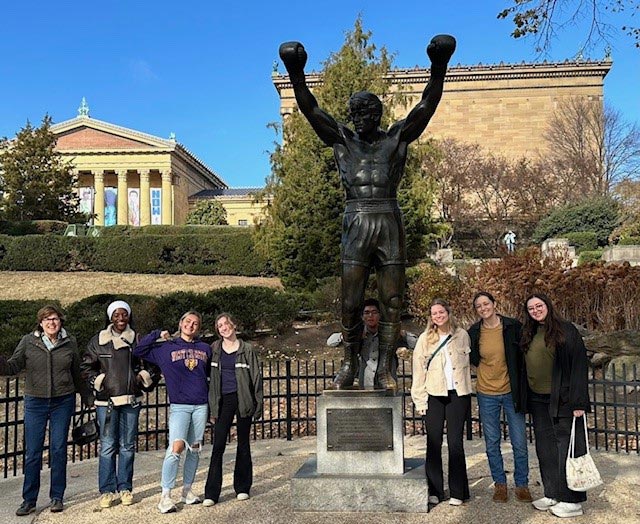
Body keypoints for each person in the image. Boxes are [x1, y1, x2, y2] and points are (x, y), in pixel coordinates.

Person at [279, 35, 456, 392]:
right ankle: (349, 363)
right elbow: (311, 110)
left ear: (378, 115)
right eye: (356, 113)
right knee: (350, 300)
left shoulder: (396, 138)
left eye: (368, 112)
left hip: (388, 218)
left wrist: (439, 66)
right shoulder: (342, 140)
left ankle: (385, 368)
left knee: (392, 300)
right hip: (356, 218)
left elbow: (426, 105)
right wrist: (295, 73)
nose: (362, 118)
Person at [0, 305, 84, 516]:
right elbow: (12, 367)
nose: (51, 323)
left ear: (60, 321)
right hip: (35, 402)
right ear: (40, 323)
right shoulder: (29, 341)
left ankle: (57, 496)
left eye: (54, 318)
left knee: (58, 450)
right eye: (47, 319)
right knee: (33, 453)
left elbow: (77, 372)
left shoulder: (69, 342)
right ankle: (29, 499)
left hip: (62, 402)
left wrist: (88, 396)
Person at [81, 300, 160, 509]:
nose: (120, 319)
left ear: (129, 316)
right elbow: (86, 367)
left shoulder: (138, 340)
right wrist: (100, 381)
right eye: (116, 315)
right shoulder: (98, 341)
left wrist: (142, 377)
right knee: (107, 446)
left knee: (127, 446)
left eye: (124, 314)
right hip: (105, 401)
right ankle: (107, 490)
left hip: (131, 400)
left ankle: (125, 487)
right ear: (110, 317)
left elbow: (153, 365)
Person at [134, 311, 212, 514]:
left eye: (195, 323)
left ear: (199, 327)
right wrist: (158, 333)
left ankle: (187, 491)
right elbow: (138, 350)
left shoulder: (204, 348)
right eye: (187, 321)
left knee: (195, 448)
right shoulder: (166, 348)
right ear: (180, 323)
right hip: (180, 405)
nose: (191, 325)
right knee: (176, 448)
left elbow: (210, 375)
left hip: (200, 405)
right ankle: (165, 495)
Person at [521, 293, 591, 518]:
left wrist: (579, 402)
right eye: (531, 308)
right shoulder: (529, 332)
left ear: (548, 306)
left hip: (563, 399)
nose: (535, 310)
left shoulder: (566, 330)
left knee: (567, 449)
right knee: (546, 449)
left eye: (539, 306)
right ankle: (552, 492)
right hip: (538, 400)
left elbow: (579, 365)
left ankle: (572, 500)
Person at [468, 292, 531, 503]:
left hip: (511, 391)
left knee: (519, 442)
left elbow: (524, 356)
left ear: (495, 304)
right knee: (492, 442)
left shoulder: (513, 327)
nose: (483, 308)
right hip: (487, 393)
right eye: (479, 306)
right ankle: (500, 484)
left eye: (486, 303)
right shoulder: (474, 332)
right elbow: (472, 358)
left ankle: (522, 484)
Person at [411, 298, 472, 506]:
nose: (438, 316)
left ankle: (458, 491)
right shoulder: (425, 339)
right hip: (434, 394)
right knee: (434, 442)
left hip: (458, 394)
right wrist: (419, 400)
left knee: (456, 443)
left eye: (441, 312)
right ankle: (435, 490)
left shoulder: (462, 335)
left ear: (448, 312)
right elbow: (418, 371)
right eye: (434, 313)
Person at [204, 313, 263, 507]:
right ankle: (212, 493)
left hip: (243, 398)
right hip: (223, 401)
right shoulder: (214, 349)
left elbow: (256, 377)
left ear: (233, 325)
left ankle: (242, 487)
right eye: (219, 326)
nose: (223, 328)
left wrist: (258, 403)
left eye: (225, 324)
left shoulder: (247, 349)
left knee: (243, 444)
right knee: (218, 445)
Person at [326, 298, 417, 388]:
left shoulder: (390, 334)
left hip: (387, 386)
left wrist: (402, 335)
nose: (370, 316)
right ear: (362, 316)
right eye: (366, 313)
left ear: (380, 315)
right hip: (366, 384)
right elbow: (331, 342)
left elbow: (416, 343)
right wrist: (348, 335)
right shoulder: (359, 334)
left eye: (374, 312)